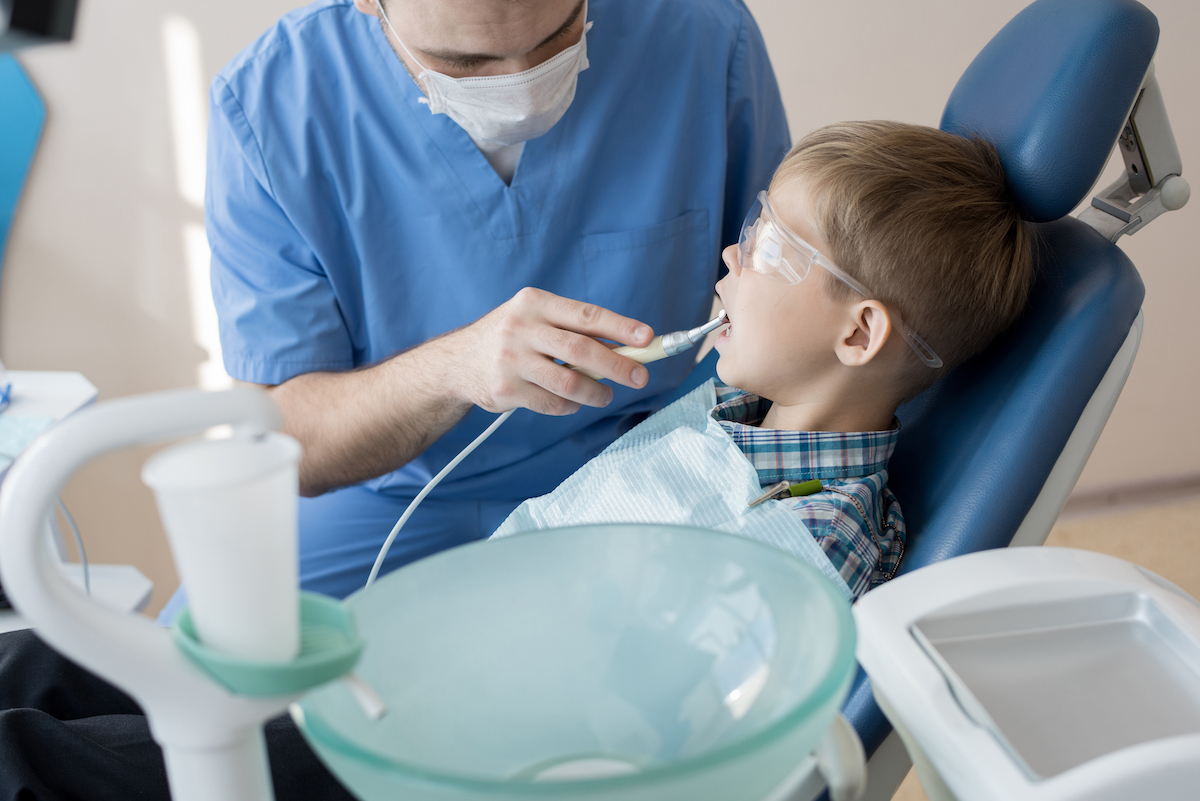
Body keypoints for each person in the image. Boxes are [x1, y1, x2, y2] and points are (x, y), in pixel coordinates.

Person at [0, 0, 790, 798]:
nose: (521, 86)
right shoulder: (275, 103)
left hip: (624, 491)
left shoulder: (703, 40)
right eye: (468, 67)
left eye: (556, 41)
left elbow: (777, 298)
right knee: (158, 687)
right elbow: (290, 440)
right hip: (382, 497)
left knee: (266, 750)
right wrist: (455, 366)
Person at [492, 120, 1035, 599]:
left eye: (769, 248)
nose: (732, 253)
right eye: (754, 225)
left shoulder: (818, 542)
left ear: (859, 333)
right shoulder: (740, 408)